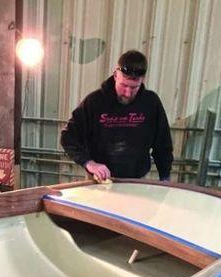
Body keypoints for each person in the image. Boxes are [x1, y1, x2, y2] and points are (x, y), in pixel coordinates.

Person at [60, 50, 173, 182]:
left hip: (137, 181)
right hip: (99, 180)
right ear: (115, 75)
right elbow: (68, 137)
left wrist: (165, 177)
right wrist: (89, 163)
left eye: (134, 87)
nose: (127, 93)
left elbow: (163, 143)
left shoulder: (151, 103)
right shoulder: (94, 102)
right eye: (123, 85)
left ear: (142, 80)